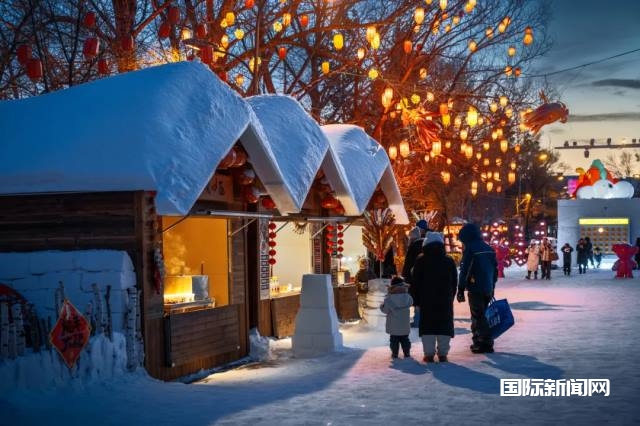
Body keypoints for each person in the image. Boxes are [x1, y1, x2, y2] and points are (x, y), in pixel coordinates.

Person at [411, 232, 458, 363]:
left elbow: (416, 282)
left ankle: (429, 354)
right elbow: (454, 281)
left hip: (426, 300)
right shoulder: (449, 261)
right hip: (445, 299)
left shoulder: (420, 261)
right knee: (444, 325)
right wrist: (451, 295)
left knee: (428, 326)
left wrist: (416, 299)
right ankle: (443, 354)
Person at [456, 223, 498, 354]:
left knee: (478, 316)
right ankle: (478, 341)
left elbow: (465, 270)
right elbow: (495, 270)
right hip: (488, 287)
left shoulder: (471, 249)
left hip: (475, 287)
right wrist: (492, 286)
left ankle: (485, 342)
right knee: (480, 315)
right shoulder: (488, 248)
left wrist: (461, 288)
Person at [402, 219, 429, 327]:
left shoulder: (415, 246)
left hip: (415, 277)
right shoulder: (427, 243)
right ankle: (423, 320)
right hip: (426, 276)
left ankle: (418, 321)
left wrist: (406, 276)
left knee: (417, 299)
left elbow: (409, 263)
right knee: (423, 299)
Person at [379, 276, 413, 359]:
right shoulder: (407, 297)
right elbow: (411, 303)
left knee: (394, 341)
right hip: (404, 324)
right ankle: (407, 353)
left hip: (393, 326)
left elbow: (385, 310)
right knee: (405, 340)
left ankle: (395, 353)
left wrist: (381, 306)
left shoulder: (389, 298)